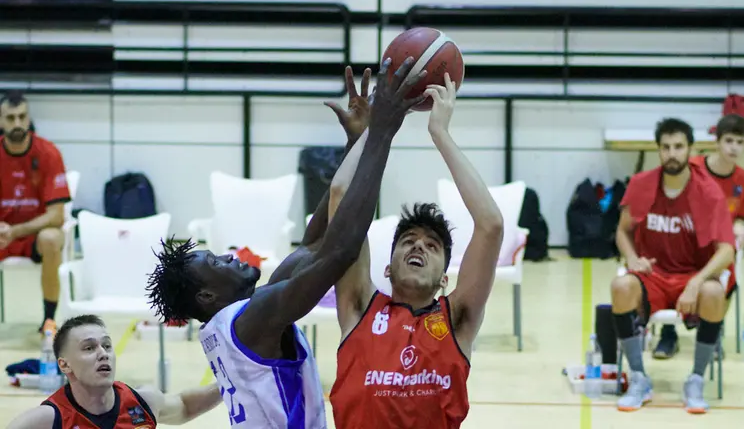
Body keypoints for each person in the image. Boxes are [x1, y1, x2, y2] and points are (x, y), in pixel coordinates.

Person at [145, 57, 426, 428]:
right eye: (216, 263)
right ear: (207, 296)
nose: (228, 257)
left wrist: (359, 141)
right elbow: (339, 251)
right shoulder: (253, 319)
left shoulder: (239, 320)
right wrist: (383, 134)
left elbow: (314, 243)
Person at [328, 73, 505, 428]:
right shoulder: (360, 308)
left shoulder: (457, 319)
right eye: (408, 241)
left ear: (444, 279)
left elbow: (491, 225)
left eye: (432, 246)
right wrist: (375, 131)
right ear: (387, 268)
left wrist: (440, 133)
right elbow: (340, 195)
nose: (419, 246)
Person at [610, 117, 736, 414]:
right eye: (665, 147)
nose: (672, 154)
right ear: (658, 150)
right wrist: (632, 259)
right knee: (621, 286)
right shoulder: (642, 184)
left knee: (714, 293)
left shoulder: (708, 191)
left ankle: (696, 380)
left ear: (690, 149)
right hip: (652, 274)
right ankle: (639, 378)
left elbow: (727, 251)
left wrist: (697, 281)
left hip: (692, 275)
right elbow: (622, 231)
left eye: (678, 147)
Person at [653, 114, 744, 360]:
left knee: (728, 275)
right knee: (670, 269)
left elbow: (739, 214)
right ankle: (668, 333)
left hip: (716, 245)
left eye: (740, 142)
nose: (734, 148)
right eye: (728, 141)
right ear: (716, 142)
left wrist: (738, 224)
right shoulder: (692, 167)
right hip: (683, 239)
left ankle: (712, 330)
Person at [7, 314, 222, 428]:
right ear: (64, 365)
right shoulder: (48, 419)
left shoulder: (143, 402)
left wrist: (228, 382)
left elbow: (184, 406)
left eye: (107, 345)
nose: (103, 353)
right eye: (89, 348)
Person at [0, 91, 70, 335]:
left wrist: (16, 231)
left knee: (51, 238)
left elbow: (57, 216)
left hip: (34, 236)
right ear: (1, 121)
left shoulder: (48, 153)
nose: (17, 123)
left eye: (22, 117)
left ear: (29, 119)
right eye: (10, 118)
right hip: (2, 235)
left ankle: (49, 320)